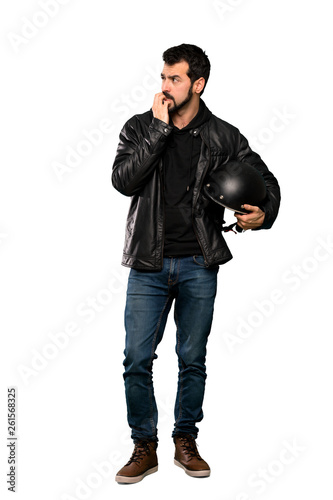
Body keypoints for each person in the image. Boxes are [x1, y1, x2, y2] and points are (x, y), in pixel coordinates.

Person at [111, 43, 280, 484]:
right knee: (135, 357)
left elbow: (266, 181)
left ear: (198, 84)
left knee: (192, 357)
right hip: (147, 263)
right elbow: (123, 181)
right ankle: (144, 446)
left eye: (175, 78)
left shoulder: (223, 136)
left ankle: (185, 439)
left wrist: (264, 215)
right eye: (163, 77)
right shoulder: (140, 127)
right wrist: (159, 131)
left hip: (198, 262)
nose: (164, 86)